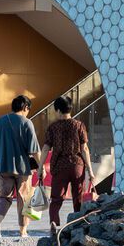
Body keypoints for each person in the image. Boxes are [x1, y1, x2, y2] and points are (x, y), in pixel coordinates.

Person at [0, 94, 42, 239]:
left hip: (3, 167)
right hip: (23, 168)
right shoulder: (27, 123)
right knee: (24, 198)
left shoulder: (0, 121)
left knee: (4, 197)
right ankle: (23, 231)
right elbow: (34, 150)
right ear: (25, 107)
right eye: (28, 109)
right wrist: (41, 166)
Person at [41, 96, 92, 230]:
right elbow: (85, 149)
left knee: (56, 197)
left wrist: (40, 167)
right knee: (78, 197)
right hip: (77, 165)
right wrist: (91, 172)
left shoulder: (53, 127)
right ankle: (78, 224)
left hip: (59, 166)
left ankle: (53, 221)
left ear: (58, 110)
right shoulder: (79, 125)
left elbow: (46, 148)